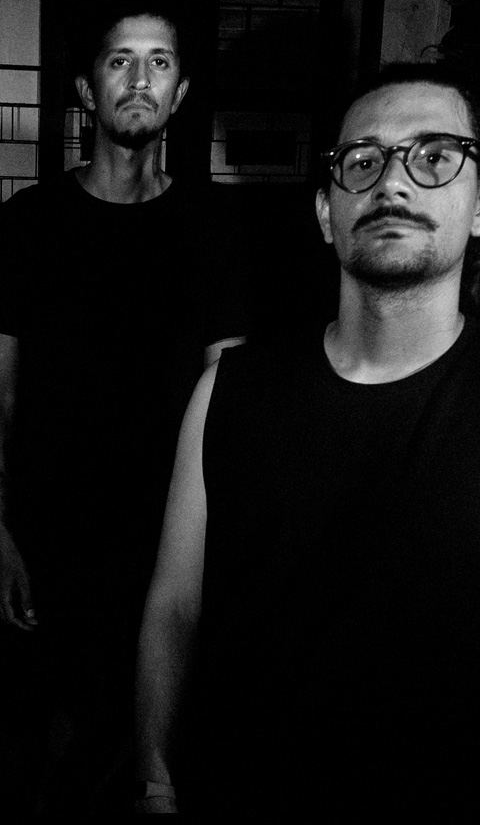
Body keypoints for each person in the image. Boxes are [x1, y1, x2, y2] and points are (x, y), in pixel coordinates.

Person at [135, 62, 480, 815]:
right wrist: (158, 780)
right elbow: (175, 607)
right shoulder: (229, 390)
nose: (394, 183)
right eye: (363, 161)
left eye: (434, 156)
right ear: (326, 213)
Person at [0, 0, 246, 813]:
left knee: (149, 748)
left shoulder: (212, 229)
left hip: (165, 537)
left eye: (159, 62)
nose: (139, 79)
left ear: (181, 92)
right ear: (88, 90)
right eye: (120, 60)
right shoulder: (30, 222)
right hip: (52, 533)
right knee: (43, 750)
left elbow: (230, 396)